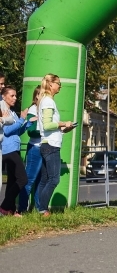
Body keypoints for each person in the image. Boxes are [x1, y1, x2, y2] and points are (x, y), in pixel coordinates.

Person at [37, 74, 76, 217]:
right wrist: (63, 123)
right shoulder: (48, 101)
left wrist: (65, 129)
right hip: (51, 145)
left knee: (45, 179)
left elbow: (49, 127)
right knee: (54, 179)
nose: (60, 86)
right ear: (50, 84)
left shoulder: (45, 100)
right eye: (58, 83)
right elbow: (47, 125)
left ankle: (40, 209)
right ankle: (43, 209)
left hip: (46, 143)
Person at [1, 86, 31, 216]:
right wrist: (22, 119)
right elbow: (7, 131)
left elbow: (17, 132)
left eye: (15, 95)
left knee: (12, 181)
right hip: (8, 150)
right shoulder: (3, 111)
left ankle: (10, 210)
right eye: (12, 95)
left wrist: (27, 123)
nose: (15, 98)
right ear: (4, 97)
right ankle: (4, 206)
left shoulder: (12, 112)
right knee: (23, 179)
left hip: (15, 148)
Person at [18, 87, 41, 213]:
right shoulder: (33, 109)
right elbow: (31, 131)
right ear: (36, 96)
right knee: (29, 179)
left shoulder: (44, 108)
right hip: (35, 148)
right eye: (41, 94)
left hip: (44, 147)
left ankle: (39, 209)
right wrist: (47, 131)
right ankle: (22, 209)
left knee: (40, 180)